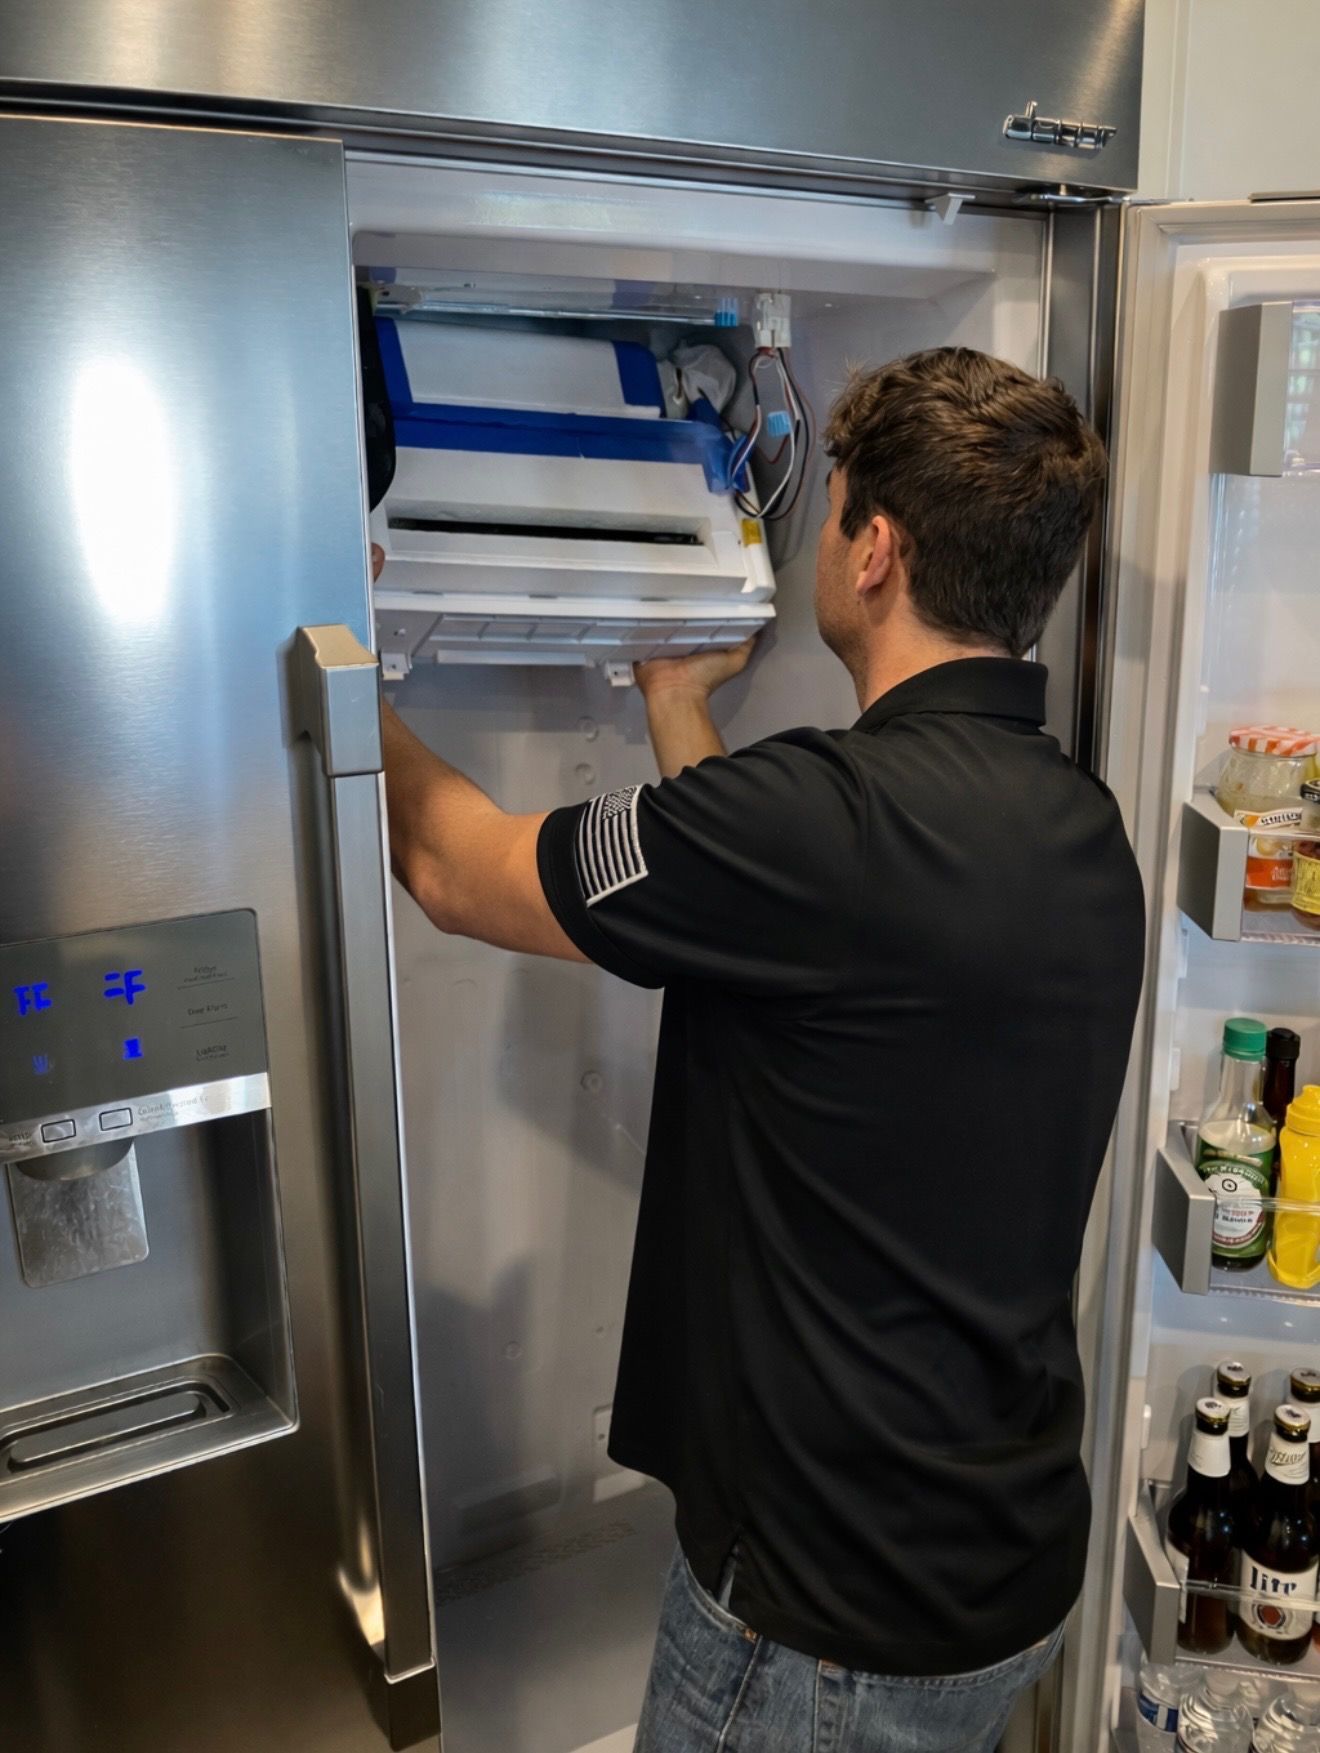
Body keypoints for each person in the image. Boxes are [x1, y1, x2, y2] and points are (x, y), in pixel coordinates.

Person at [380, 346, 1145, 1752]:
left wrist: (328, 663)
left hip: (818, 1623)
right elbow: (787, 925)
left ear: (874, 550)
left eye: (830, 493)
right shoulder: (1085, 829)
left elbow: (447, 864)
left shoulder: (816, 821)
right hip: (1005, 1565)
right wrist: (680, 704)